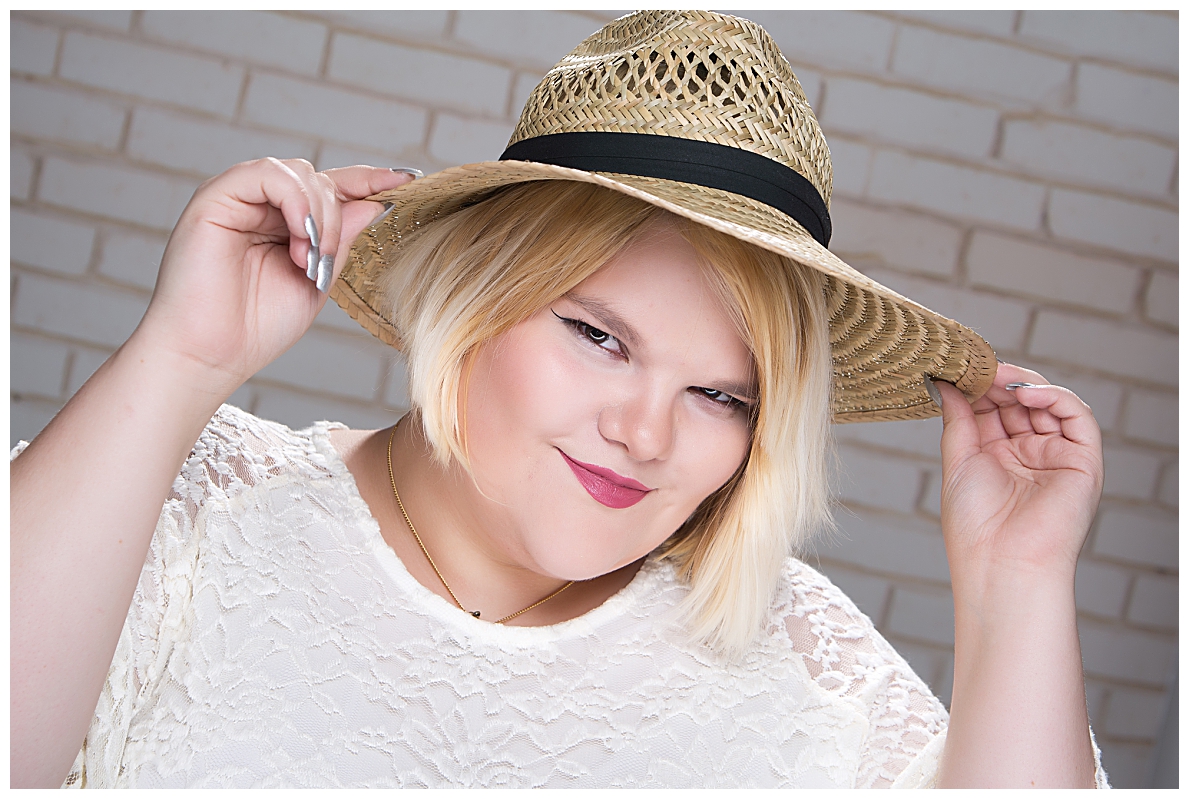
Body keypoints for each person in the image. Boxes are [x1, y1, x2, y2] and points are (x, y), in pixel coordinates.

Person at [11, 10, 1107, 788]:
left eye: (721, 394)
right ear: (476, 299)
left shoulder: (798, 664)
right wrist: (177, 361)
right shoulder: (199, 509)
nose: (644, 432)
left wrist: (1018, 584)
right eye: (598, 336)